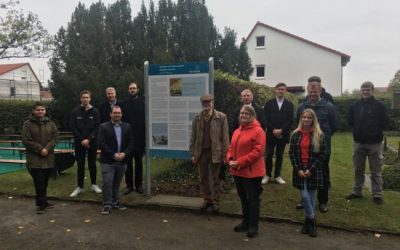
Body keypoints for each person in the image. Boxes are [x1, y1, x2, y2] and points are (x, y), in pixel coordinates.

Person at [296, 76, 337, 213]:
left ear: (320, 91)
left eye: (316, 92)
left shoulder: (328, 106)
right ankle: (305, 198)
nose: (313, 94)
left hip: (322, 147)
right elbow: (298, 125)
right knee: (305, 171)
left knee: (322, 172)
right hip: (305, 146)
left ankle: (323, 201)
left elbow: (334, 126)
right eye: (311, 92)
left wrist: (322, 140)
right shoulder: (302, 106)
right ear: (308, 90)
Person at [346, 81, 388, 205]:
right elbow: (350, 121)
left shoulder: (380, 105)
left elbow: (385, 121)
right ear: (361, 91)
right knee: (358, 169)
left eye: (368, 89)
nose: (365, 92)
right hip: (359, 142)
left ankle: (377, 194)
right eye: (363, 89)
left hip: (375, 143)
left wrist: (375, 132)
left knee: (375, 170)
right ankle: (357, 192)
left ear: (372, 91)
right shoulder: (355, 105)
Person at [227, 105, 266, 238]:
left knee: (253, 200)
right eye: (242, 113)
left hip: (252, 172)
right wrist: (230, 158)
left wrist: (240, 162)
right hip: (238, 171)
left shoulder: (258, 131)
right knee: (243, 198)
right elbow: (230, 148)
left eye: (247, 113)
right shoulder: (237, 130)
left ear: (252, 115)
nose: (243, 115)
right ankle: (245, 222)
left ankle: (253, 226)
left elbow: (257, 152)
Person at [289, 108, 327, 238]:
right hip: (300, 169)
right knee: (305, 197)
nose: (306, 119)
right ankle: (312, 220)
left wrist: (311, 170)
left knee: (311, 197)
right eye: (304, 117)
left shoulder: (319, 135)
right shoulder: (295, 134)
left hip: (313, 170)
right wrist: (298, 169)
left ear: (313, 119)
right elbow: (291, 153)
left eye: (309, 117)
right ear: (301, 119)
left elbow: (322, 155)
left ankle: (308, 223)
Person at [190, 94, 229, 213]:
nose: (206, 105)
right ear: (202, 104)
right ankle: (207, 200)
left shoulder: (221, 117)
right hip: (201, 153)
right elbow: (193, 137)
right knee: (203, 178)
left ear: (212, 103)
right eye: (204, 103)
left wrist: (224, 154)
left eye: (209, 103)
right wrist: (193, 153)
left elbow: (225, 137)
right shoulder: (197, 118)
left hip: (215, 152)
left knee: (216, 178)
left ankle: (216, 201)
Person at [22, 102, 58, 214]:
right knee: (39, 182)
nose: (40, 111)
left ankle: (43, 201)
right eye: (38, 110)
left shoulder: (51, 124)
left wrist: (47, 148)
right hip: (34, 158)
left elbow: (55, 138)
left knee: (45, 181)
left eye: (42, 109)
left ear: (45, 111)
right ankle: (41, 205)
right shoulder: (27, 124)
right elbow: (26, 140)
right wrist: (40, 149)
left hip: (48, 157)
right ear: (33, 111)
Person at [97, 105, 133, 215]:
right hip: (108, 161)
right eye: (115, 113)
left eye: (119, 113)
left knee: (116, 184)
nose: (117, 115)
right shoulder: (103, 127)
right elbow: (101, 143)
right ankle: (107, 204)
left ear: (121, 114)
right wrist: (113, 154)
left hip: (122, 160)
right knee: (107, 183)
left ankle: (115, 201)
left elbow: (131, 143)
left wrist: (124, 153)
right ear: (110, 114)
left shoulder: (127, 127)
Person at [69, 90, 102, 197]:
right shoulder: (75, 111)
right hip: (79, 143)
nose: (85, 99)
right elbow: (73, 127)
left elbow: (97, 127)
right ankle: (80, 187)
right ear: (80, 99)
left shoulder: (95, 111)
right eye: (83, 97)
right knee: (80, 165)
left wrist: (89, 139)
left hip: (92, 142)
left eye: (87, 97)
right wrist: (82, 140)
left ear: (90, 99)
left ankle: (93, 185)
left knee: (92, 164)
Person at [263, 82, 294, 184]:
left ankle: (277, 175)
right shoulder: (268, 103)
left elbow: (290, 120)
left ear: (285, 91)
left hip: (283, 134)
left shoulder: (289, 105)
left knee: (280, 156)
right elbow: (265, 119)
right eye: (278, 89)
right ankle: (267, 175)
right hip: (271, 134)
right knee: (268, 155)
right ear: (275, 90)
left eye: (282, 89)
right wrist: (273, 130)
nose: (280, 91)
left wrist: (281, 130)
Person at [121, 82, 146, 194]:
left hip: (139, 138)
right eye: (130, 88)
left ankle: (139, 185)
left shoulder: (143, 104)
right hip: (127, 139)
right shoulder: (123, 104)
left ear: (137, 90)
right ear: (128, 90)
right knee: (128, 163)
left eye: (134, 88)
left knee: (138, 163)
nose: (132, 90)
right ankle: (129, 185)